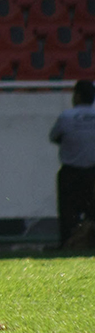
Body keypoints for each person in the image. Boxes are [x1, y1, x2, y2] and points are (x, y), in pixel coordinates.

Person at [49, 80, 95, 248]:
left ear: (77, 96)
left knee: (69, 214)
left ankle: (67, 244)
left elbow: (54, 137)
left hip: (71, 173)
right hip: (93, 174)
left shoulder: (66, 116)